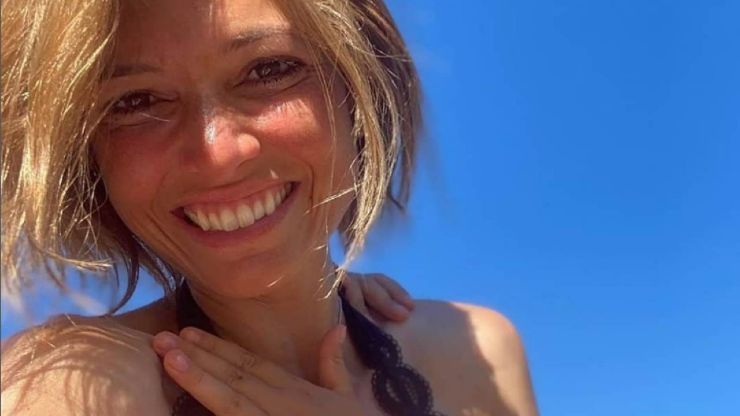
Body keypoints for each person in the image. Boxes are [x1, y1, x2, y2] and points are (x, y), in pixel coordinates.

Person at [0, 0, 538, 415]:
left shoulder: (479, 350)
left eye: (268, 69)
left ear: (360, 89)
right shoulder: (72, 386)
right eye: (135, 101)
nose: (218, 155)